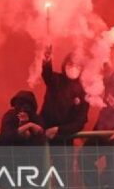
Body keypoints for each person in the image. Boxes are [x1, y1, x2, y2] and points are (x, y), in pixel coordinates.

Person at [40, 46, 89, 183]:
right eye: (70, 64)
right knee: (39, 172)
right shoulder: (56, 80)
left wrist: (59, 130)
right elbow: (47, 74)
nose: (73, 68)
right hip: (43, 134)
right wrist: (47, 60)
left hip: (64, 139)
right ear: (64, 64)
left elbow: (80, 121)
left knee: (63, 176)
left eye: (77, 65)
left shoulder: (83, 92)